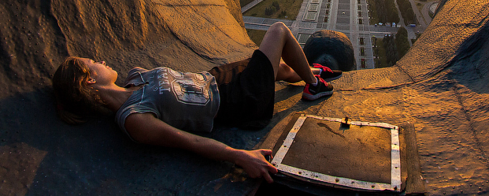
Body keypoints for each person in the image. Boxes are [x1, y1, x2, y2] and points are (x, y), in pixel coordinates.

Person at [52, 22, 341, 183]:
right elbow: (188, 142)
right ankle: (315, 87)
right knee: (278, 31)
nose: (100, 61)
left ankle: (310, 73)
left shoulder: (134, 78)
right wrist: (239, 155)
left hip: (219, 78)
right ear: (89, 80)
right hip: (235, 101)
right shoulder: (133, 117)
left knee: (273, 67)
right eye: (93, 63)